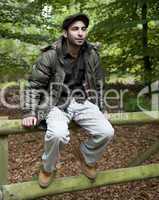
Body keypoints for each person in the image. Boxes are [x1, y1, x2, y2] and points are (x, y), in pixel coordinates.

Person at [22, 13, 114, 188]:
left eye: (83, 29)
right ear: (65, 33)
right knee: (57, 134)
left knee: (106, 131)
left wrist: (101, 107)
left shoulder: (91, 54)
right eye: (75, 29)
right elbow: (34, 85)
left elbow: (98, 83)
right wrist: (29, 111)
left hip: (82, 101)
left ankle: (87, 156)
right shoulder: (50, 55)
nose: (80, 33)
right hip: (55, 103)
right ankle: (48, 168)